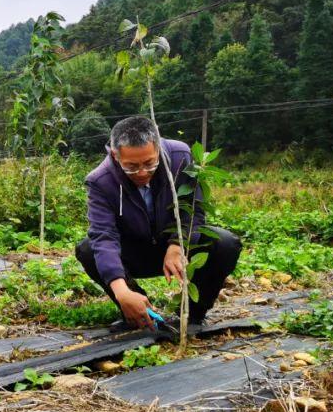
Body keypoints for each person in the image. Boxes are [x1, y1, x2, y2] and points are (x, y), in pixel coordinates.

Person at [75, 115, 241, 335]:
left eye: (149, 163)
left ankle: (193, 315)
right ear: (115, 156)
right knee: (87, 249)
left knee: (226, 243)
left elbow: (194, 209)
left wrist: (177, 245)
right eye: (131, 167)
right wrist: (121, 292)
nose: (142, 173)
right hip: (135, 252)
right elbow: (103, 236)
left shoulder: (180, 157)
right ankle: (136, 311)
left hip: (175, 246)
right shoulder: (101, 181)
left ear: (158, 148)